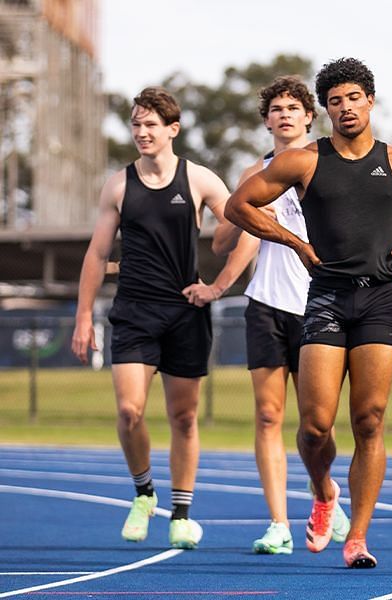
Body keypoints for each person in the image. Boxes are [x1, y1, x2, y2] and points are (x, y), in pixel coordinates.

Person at [225, 58, 392, 569]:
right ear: (324, 110)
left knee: (369, 420)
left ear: (370, 100)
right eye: (334, 101)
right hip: (325, 297)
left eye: (353, 98)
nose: (345, 108)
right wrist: (294, 242)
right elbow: (239, 206)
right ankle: (325, 490)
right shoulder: (303, 161)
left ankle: (359, 539)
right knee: (315, 427)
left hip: (378, 300)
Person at [71, 87, 240, 549]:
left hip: (186, 313)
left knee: (183, 418)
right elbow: (97, 252)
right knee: (129, 411)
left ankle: (181, 513)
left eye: (151, 125)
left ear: (172, 129)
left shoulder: (201, 180)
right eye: (136, 124)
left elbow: (245, 225)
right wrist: (84, 314)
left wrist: (219, 284)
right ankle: (144, 492)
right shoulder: (119, 185)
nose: (142, 132)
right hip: (134, 312)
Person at [190, 76, 349, 555]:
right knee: (266, 415)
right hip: (266, 304)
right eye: (275, 109)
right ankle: (278, 523)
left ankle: (324, 492)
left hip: (319, 303)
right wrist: (226, 231)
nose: (283, 114)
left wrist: (220, 283)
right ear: (266, 120)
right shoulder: (252, 173)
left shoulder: (327, 164)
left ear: (308, 116)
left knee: (318, 423)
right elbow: (236, 236)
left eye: (292, 107)